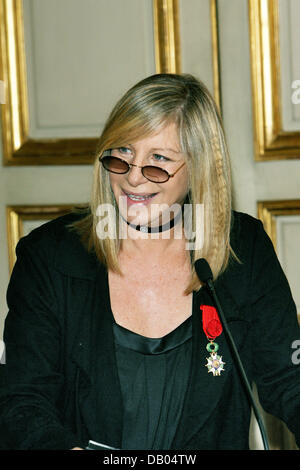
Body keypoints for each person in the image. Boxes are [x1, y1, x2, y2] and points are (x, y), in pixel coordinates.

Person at [0, 73, 299, 450]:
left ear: (199, 167)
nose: (133, 178)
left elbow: (290, 379)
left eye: (158, 160)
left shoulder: (244, 248)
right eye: (122, 153)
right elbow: (21, 399)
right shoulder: (49, 256)